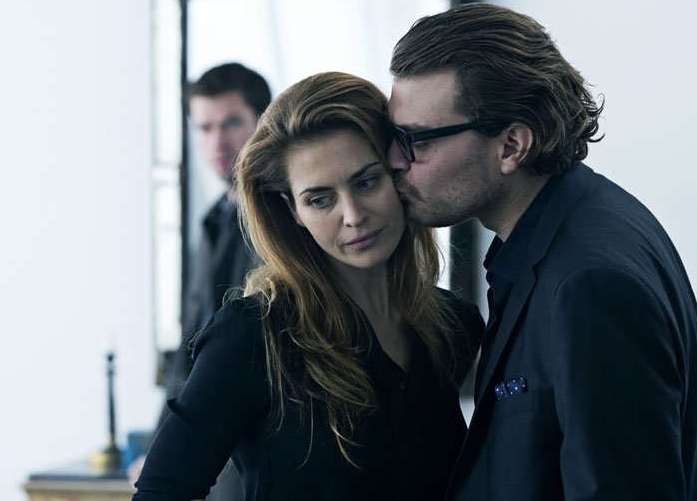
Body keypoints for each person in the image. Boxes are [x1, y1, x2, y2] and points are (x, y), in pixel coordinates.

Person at [386, 3, 697, 500]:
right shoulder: (572, 225)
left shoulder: (588, 280)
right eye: (393, 136)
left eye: (415, 139)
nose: (394, 160)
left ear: (512, 146)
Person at [132, 71, 485, 501]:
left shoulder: (453, 326)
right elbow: (160, 492)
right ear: (293, 211)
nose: (353, 215)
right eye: (320, 199)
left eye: (366, 181)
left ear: (397, 172)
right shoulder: (253, 336)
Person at [132, 62, 272, 500]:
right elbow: (190, 350)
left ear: (263, 122)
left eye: (231, 123)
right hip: (206, 442)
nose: (217, 142)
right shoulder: (213, 222)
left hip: (253, 446)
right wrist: (159, 447)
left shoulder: (284, 218)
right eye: (205, 127)